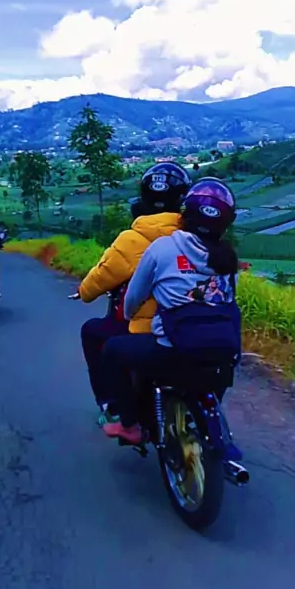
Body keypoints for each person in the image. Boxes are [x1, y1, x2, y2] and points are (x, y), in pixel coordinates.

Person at [101, 178, 241, 445]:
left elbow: (134, 297)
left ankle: (130, 425)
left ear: (185, 212)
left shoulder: (163, 248)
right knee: (214, 375)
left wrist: (129, 316)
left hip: (172, 350)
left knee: (112, 351)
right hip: (223, 353)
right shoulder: (229, 258)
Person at [78, 162, 192, 426]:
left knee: (93, 332)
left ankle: (113, 406)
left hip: (146, 331)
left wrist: (83, 291)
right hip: (191, 326)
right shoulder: (194, 236)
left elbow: (95, 284)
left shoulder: (131, 240)